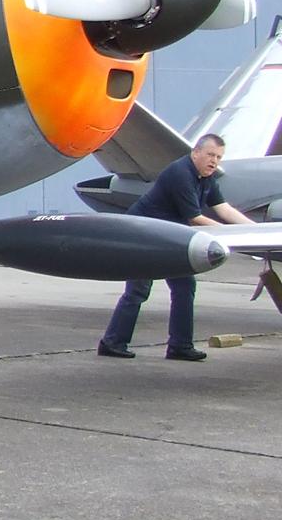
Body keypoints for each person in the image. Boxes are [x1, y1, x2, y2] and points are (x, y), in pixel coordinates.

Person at [96, 133, 253, 362]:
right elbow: (195, 218)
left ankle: (180, 346)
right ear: (195, 152)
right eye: (210, 154)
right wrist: (227, 234)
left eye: (218, 157)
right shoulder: (180, 173)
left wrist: (253, 228)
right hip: (141, 236)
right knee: (138, 291)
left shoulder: (206, 176)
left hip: (169, 239)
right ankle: (112, 343)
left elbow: (223, 207)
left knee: (184, 287)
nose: (214, 161)